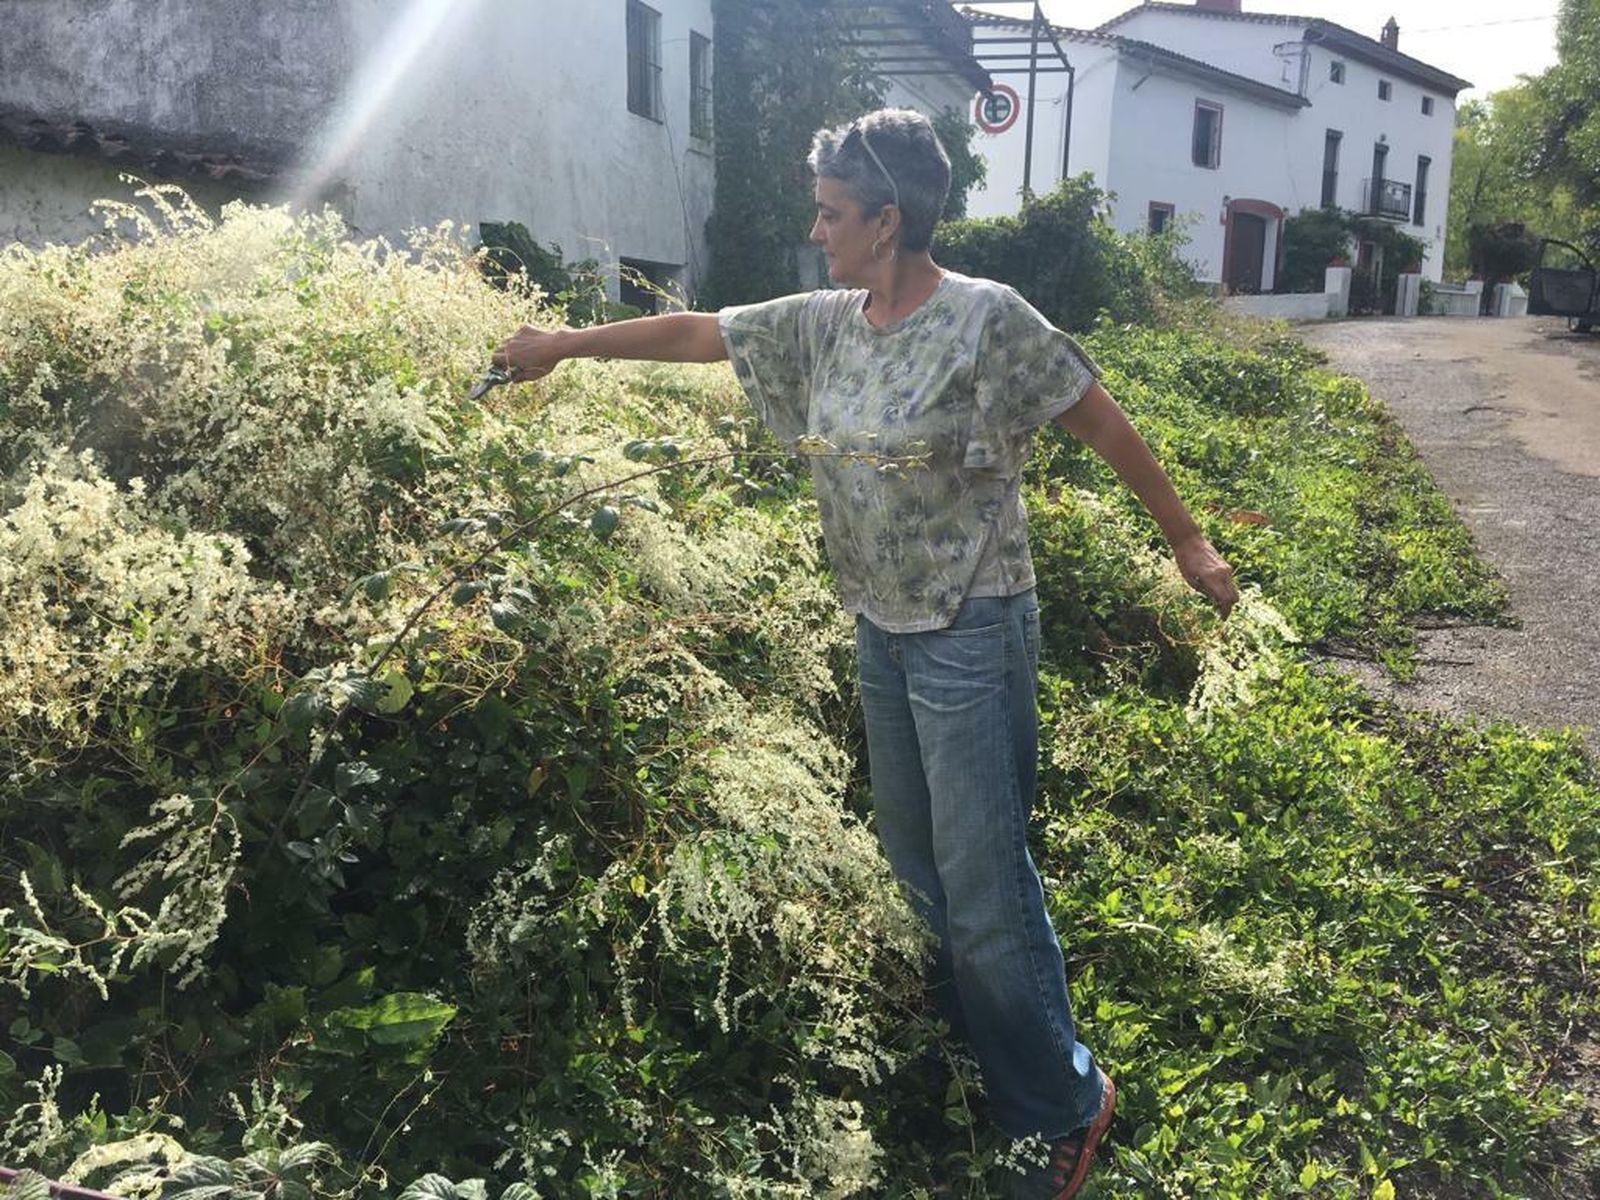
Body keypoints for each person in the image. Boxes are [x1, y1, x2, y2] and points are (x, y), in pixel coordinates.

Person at [493, 107, 1238, 1200]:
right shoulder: (834, 320)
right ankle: (975, 1056)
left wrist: (1186, 537)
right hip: (881, 625)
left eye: (833, 213)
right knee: (915, 866)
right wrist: (563, 346)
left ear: (887, 221)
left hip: (972, 629)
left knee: (984, 884)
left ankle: (1063, 1106)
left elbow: (1099, 420)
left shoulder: (988, 319)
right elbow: (702, 332)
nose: (818, 228)